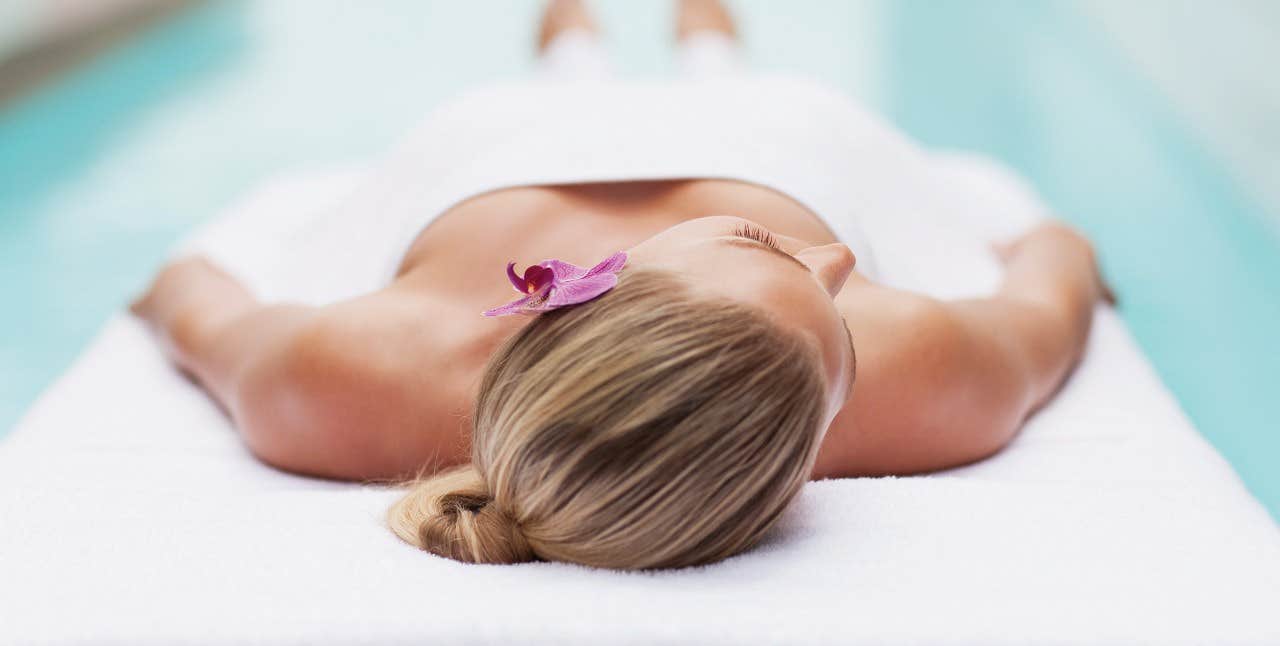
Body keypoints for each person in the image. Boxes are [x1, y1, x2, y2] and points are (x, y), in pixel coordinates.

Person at [131, 0, 1111, 570]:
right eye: (840, 330)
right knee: (744, 91)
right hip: (775, 139)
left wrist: (175, 289)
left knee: (552, 92)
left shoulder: (345, 379)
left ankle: (571, 44)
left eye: (773, 250)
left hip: (493, 149)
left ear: (610, 286)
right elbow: (1050, 284)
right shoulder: (916, 379)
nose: (836, 263)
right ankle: (708, 40)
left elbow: (190, 295)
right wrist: (1050, 238)